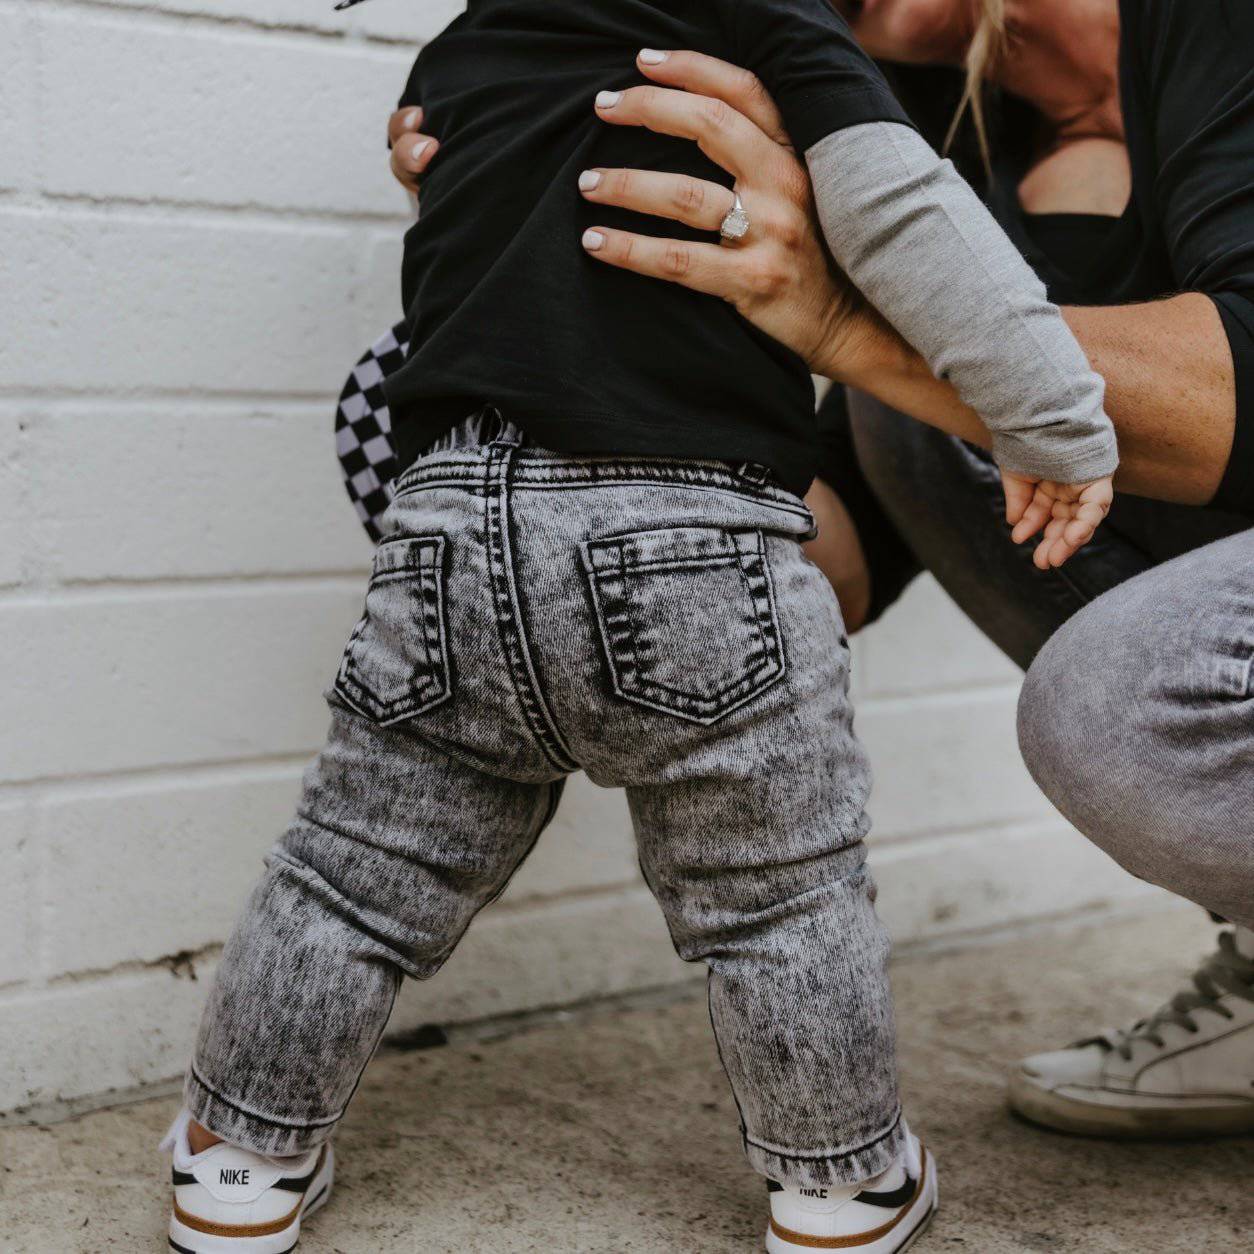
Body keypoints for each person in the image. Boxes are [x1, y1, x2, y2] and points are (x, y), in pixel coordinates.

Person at [161, 3, 1130, 1252]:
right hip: (693, 525)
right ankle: (839, 1186)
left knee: (349, 878)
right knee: (777, 897)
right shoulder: (766, 30)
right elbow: (911, 227)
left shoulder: (463, 49)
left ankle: (239, 1157)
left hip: (450, 524)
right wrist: (1049, 421)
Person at [386, 0, 1254, 1140]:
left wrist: (848, 321)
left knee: (1122, 704)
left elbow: (1234, 400)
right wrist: (565, 439)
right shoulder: (920, 132)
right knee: (913, 418)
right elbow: (831, 566)